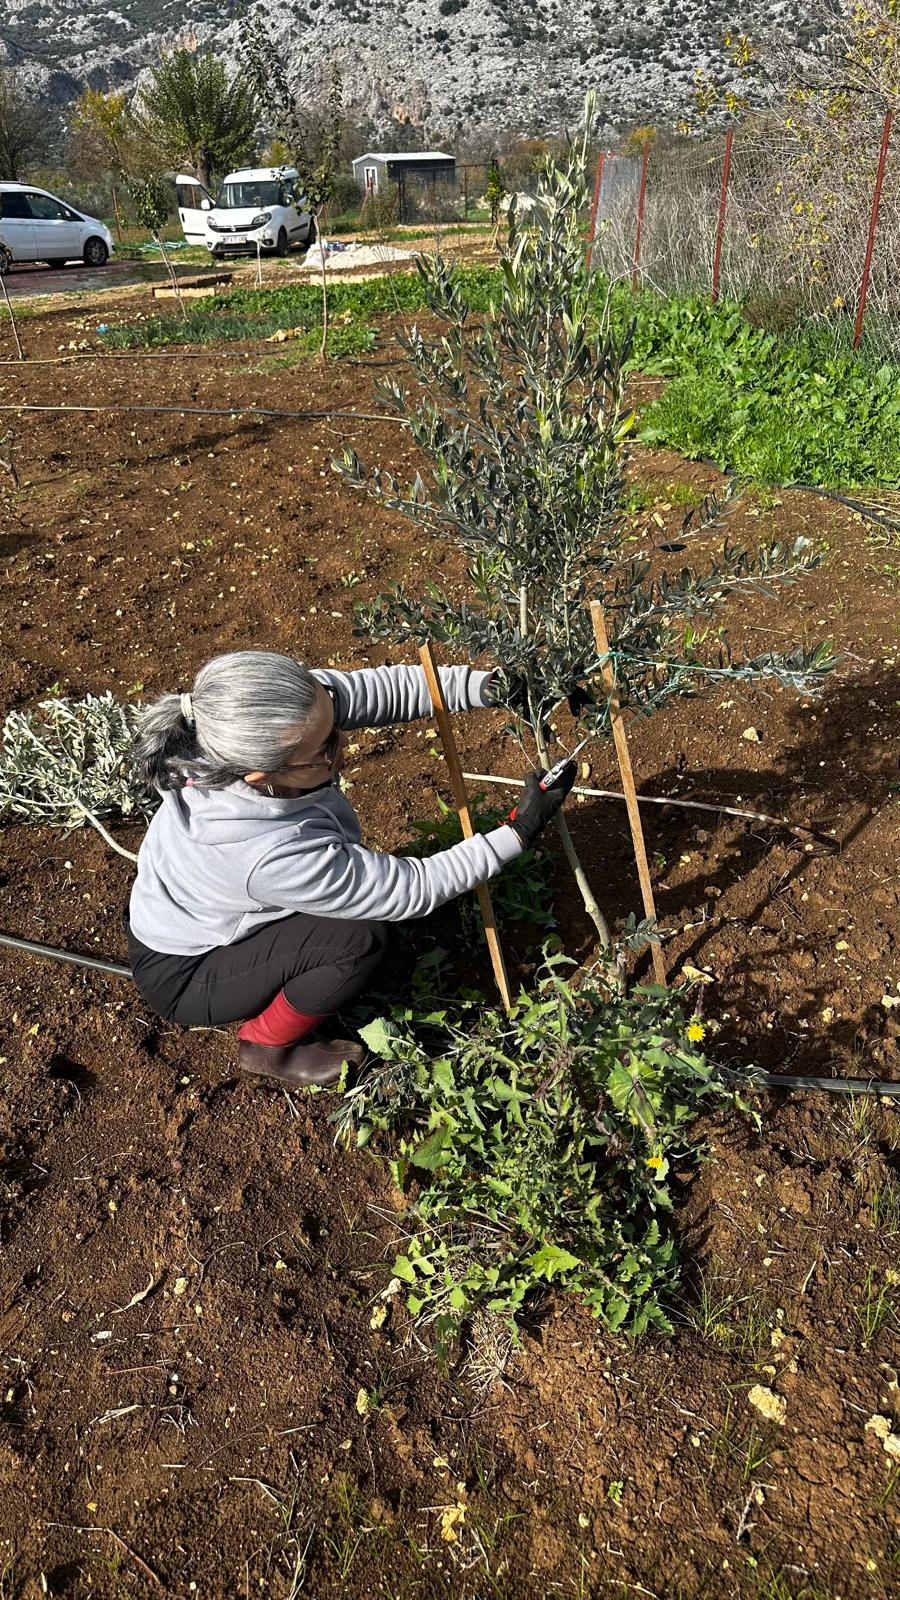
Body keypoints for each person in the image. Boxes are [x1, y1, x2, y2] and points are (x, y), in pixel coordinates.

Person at [126, 650, 576, 1088]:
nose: (346, 744)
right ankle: (265, 1045)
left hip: (193, 909)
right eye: (326, 750)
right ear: (260, 777)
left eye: (335, 724)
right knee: (360, 937)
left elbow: (372, 691)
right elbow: (411, 890)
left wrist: (485, 686)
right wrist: (518, 831)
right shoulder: (262, 851)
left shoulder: (263, 716)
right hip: (188, 970)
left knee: (346, 906)